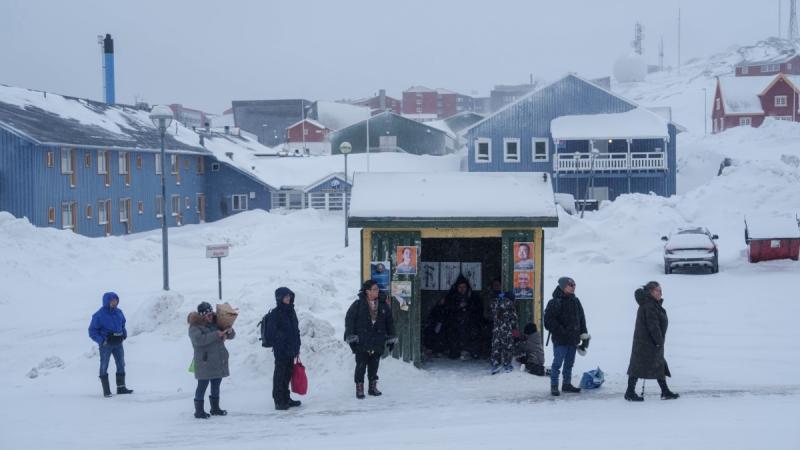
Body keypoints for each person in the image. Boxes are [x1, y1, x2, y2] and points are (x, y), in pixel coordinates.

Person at [625, 282, 679, 401]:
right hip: (648, 343)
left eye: (661, 290)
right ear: (650, 292)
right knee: (640, 366)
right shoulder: (650, 305)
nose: (660, 292)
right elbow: (653, 325)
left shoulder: (652, 304)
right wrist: (659, 341)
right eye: (657, 290)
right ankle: (630, 392)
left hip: (647, 342)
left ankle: (664, 391)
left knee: (655, 366)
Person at [344, 280, 397, 399]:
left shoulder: (383, 305)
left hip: (377, 340)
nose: (377, 291)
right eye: (375, 289)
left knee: (374, 365)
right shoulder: (357, 304)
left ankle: (372, 388)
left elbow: (390, 322)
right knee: (361, 366)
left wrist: (391, 337)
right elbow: (349, 321)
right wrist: (351, 336)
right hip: (362, 340)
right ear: (367, 291)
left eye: (377, 289)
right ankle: (359, 388)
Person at [188, 302, 235, 419]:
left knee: (216, 384)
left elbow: (230, 335)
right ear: (201, 316)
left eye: (211, 314)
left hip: (218, 360)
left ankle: (215, 408)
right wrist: (216, 334)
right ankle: (199, 411)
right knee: (202, 385)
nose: (210, 317)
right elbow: (199, 340)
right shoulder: (195, 327)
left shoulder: (216, 322)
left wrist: (229, 332)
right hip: (204, 361)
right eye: (207, 315)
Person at [544, 277, 589, 396]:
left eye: (574, 285)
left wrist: (584, 336)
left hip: (573, 339)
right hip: (560, 340)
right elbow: (548, 321)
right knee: (557, 364)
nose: (574, 287)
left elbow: (582, 319)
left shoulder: (576, 301)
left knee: (569, 363)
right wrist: (561, 331)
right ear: (563, 286)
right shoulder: (554, 302)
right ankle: (554, 386)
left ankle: (566, 384)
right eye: (571, 285)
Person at [88, 292, 133, 398]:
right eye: (112, 300)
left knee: (121, 364)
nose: (114, 302)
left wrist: (124, 334)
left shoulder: (119, 312)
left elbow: (123, 324)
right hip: (106, 345)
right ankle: (106, 391)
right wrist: (102, 341)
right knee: (104, 366)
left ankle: (121, 388)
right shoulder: (99, 315)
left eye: (116, 300)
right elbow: (92, 331)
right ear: (106, 301)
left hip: (118, 343)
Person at [270, 287, 302, 410]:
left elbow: (295, 330)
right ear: (280, 298)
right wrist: (283, 341)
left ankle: (286, 398)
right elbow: (274, 333)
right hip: (281, 350)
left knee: (288, 374)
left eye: (289, 296)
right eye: (286, 296)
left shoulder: (291, 311)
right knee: (280, 375)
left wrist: (297, 344)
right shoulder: (276, 313)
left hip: (291, 349)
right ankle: (278, 400)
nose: (288, 298)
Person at [445, 275, 484, 360]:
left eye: (464, 287)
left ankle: (470, 351)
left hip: (470, 323)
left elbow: (478, 310)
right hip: (455, 323)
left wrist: (468, 307)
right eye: (460, 287)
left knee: (474, 332)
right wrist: (458, 307)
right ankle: (456, 352)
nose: (462, 289)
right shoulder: (452, 296)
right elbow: (447, 309)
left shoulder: (473, 297)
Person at [489, 291, 518, 374]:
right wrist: (515, 334)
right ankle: (507, 364)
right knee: (508, 347)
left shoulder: (495, 304)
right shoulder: (511, 306)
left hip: (496, 330)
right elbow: (514, 321)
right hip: (507, 330)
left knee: (496, 347)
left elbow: (492, 315)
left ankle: (495, 365)